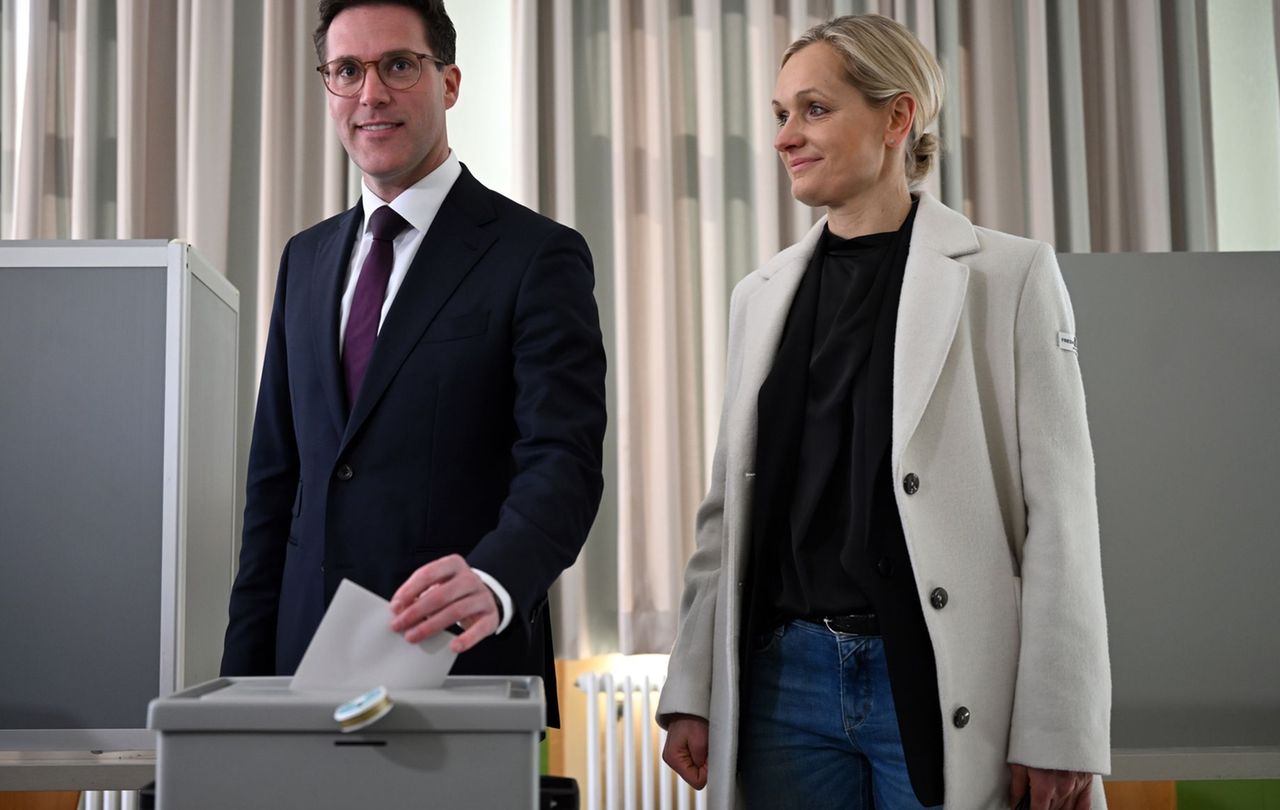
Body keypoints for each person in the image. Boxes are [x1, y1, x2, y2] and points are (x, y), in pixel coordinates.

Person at [657, 14, 1110, 810]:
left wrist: (1060, 724)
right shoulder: (757, 298)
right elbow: (725, 516)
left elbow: (1061, 517)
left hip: (938, 673)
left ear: (898, 117)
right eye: (780, 114)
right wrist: (691, 683)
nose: (785, 137)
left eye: (814, 109)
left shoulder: (1008, 277)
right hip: (780, 685)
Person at [219, 0, 606, 727]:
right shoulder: (304, 260)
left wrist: (497, 578)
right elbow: (275, 487)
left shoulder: (534, 255)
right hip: (299, 674)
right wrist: (240, 690)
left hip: (458, 666)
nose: (371, 94)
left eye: (398, 65)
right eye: (346, 71)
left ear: (449, 82)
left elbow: (564, 460)